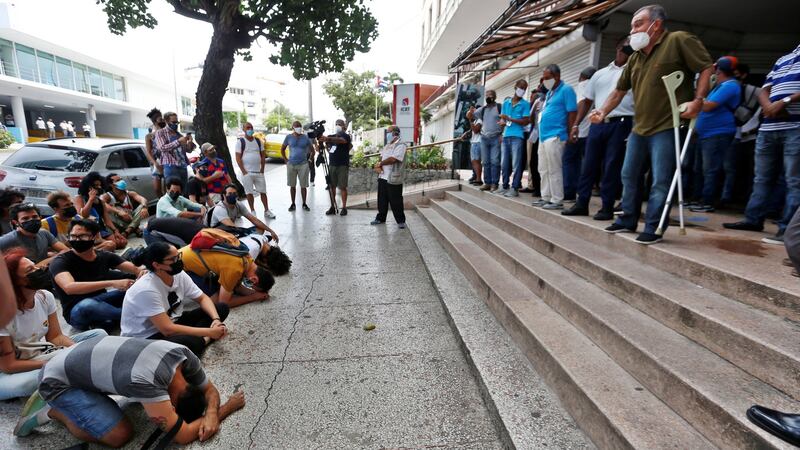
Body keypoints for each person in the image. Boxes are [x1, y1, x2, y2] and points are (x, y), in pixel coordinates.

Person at [592, 4, 713, 245]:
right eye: (632, 26)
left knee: (660, 179)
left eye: (638, 24)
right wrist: (602, 110)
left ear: (655, 25)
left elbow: (706, 67)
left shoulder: (678, 40)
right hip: (640, 127)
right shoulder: (635, 58)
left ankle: (654, 226)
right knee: (628, 175)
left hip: (668, 125)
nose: (633, 30)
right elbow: (619, 91)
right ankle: (628, 218)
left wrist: (697, 101)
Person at [15, 335, 246, 446]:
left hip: (76, 361)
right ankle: (54, 411)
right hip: (56, 381)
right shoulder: (146, 381)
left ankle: (71, 400)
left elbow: (210, 390)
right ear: (171, 403)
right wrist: (225, 409)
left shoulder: (182, 355)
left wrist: (212, 413)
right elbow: (183, 435)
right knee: (119, 436)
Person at [0, 248, 106, 401]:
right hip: (7, 371)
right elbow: (8, 365)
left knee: (99, 334)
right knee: (33, 381)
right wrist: (51, 362)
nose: (40, 269)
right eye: (31, 270)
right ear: (14, 282)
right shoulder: (5, 313)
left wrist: (75, 352)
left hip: (35, 353)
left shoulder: (44, 297)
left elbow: (56, 336)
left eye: (36, 266)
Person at [723, 44, 800, 245]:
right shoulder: (783, 58)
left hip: (795, 126)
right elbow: (765, 88)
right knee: (762, 178)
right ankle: (753, 219)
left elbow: (782, 97)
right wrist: (768, 106)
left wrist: (783, 101)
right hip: (769, 127)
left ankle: (787, 231)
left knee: (794, 180)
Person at [563, 37, 635, 220]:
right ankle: (581, 203)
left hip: (622, 122)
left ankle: (607, 207)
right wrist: (576, 124)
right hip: (597, 123)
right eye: (625, 47)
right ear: (618, 48)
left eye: (631, 49)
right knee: (589, 165)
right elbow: (587, 101)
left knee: (611, 166)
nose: (626, 51)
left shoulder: (635, 72)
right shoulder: (600, 74)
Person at [121, 242, 229, 357]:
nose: (178, 261)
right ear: (157, 265)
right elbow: (167, 330)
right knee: (189, 343)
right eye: (173, 259)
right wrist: (209, 332)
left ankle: (201, 339)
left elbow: (202, 298)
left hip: (172, 321)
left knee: (221, 308)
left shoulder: (178, 275)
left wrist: (216, 319)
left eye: (178, 256)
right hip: (146, 338)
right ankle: (202, 340)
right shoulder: (146, 289)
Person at [49, 218, 143, 330]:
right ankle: (139, 316)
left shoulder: (104, 256)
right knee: (87, 305)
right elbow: (69, 287)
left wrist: (143, 272)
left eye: (82, 236)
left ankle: (109, 320)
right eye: (73, 236)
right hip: (77, 311)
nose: (77, 240)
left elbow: (135, 269)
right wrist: (113, 283)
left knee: (135, 289)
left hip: (102, 300)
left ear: (95, 236)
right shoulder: (60, 261)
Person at [687, 56, 741, 213]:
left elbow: (709, 106)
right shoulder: (720, 86)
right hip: (706, 133)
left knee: (710, 169)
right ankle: (697, 198)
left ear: (719, 70)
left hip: (717, 133)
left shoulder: (730, 86)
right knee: (699, 168)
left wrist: (696, 99)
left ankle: (707, 201)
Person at [531, 66, 577, 210]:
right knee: (542, 168)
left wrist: (571, 132)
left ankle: (557, 199)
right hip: (544, 136)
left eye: (546, 78)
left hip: (556, 135)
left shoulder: (567, 90)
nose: (544, 81)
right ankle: (546, 197)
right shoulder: (550, 92)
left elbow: (572, 112)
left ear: (556, 76)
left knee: (554, 168)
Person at [179, 244, 275, 308]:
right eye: (252, 286)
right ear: (254, 279)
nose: (250, 286)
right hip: (182, 267)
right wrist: (253, 297)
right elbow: (223, 303)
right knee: (215, 302)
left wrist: (256, 294)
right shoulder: (234, 269)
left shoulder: (247, 258)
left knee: (229, 286)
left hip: (187, 252)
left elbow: (237, 286)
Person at [41, 191, 116, 252]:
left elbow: (96, 240)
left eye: (71, 204)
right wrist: (65, 245)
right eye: (66, 205)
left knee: (110, 244)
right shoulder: (46, 224)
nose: (71, 207)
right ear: (55, 208)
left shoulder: (78, 219)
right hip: (64, 253)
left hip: (82, 250)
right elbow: (45, 249)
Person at [563, 66, 596, 202]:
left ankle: (570, 192)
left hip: (578, 132)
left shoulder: (584, 85)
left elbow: (582, 103)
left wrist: (574, 125)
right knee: (583, 163)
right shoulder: (595, 87)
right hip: (589, 131)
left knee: (569, 161)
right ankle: (578, 192)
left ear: (582, 77)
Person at [0, 204, 69, 266]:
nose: (31, 220)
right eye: (25, 218)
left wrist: (45, 261)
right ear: (16, 222)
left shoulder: (44, 233)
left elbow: (66, 251)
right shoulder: (7, 240)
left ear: (40, 217)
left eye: (35, 217)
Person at [496, 79, 532, 197]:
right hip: (506, 135)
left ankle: (515, 187)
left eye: (524, 88)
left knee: (517, 164)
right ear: (515, 87)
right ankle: (504, 185)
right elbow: (503, 119)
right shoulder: (506, 103)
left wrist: (509, 119)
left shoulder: (525, 104)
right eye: (520, 87)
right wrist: (502, 127)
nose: (522, 90)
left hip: (518, 136)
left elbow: (526, 121)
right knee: (504, 163)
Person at [74, 172, 127, 249]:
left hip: (101, 230)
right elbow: (83, 215)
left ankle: (99, 247)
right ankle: (92, 250)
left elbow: (107, 219)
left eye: (100, 185)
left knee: (122, 242)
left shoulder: (100, 201)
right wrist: (90, 199)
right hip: (88, 231)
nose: (99, 187)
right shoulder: (79, 198)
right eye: (96, 186)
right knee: (112, 245)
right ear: (89, 187)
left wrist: (115, 231)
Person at [210, 184, 280, 241]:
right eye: (230, 193)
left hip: (232, 232)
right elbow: (232, 227)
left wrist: (271, 231)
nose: (232, 195)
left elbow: (254, 220)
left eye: (234, 193)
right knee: (235, 236)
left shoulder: (238, 204)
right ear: (224, 195)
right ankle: (251, 240)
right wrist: (245, 234)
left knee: (260, 229)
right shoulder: (220, 208)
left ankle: (251, 240)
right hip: (219, 235)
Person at [370, 125, 407, 228]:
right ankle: (380, 218)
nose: (387, 134)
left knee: (396, 200)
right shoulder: (387, 145)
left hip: (393, 177)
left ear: (395, 133)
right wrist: (379, 166)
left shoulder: (401, 145)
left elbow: (393, 159)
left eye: (389, 132)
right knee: (382, 200)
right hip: (383, 176)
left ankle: (401, 221)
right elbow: (382, 156)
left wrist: (381, 163)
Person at [236, 122, 275, 219]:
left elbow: (262, 155)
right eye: (248, 128)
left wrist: (262, 169)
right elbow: (238, 158)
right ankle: (252, 211)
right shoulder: (241, 142)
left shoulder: (258, 141)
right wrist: (244, 171)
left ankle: (267, 210)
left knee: (263, 192)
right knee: (249, 193)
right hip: (247, 173)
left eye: (251, 127)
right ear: (244, 130)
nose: (250, 129)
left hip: (258, 172)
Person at [319, 119, 353, 215]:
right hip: (332, 164)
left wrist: (328, 139)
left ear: (343, 126)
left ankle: (344, 207)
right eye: (336, 124)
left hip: (342, 165)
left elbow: (342, 141)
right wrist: (325, 143)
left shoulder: (345, 135)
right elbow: (328, 148)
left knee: (342, 186)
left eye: (339, 124)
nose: (337, 125)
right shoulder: (332, 136)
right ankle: (332, 206)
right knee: (331, 186)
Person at [155, 112, 194, 192]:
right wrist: (178, 142)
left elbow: (188, 150)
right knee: (173, 192)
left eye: (177, 122)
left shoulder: (179, 134)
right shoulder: (160, 132)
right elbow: (162, 148)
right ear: (166, 121)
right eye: (173, 122)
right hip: (171, 166)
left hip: (182, 166)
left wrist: (190, 141)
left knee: (183, 191)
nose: (176, 124)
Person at [472, 90, 503, 192]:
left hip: (495, 137)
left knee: (495, 161)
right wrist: (470, 112)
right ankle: (487, 183)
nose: (487, 97)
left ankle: (494, 183)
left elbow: (505, 121)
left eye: (490, 95)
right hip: (484, 138)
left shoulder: (499, 107)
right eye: (486, 95)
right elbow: (471, 115)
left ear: (494, 97)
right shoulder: (483, 109)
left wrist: (502, 134)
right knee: (485, 162)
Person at [282, 120, 314, 211]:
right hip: (291, 164)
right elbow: (282, 149)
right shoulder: (288, 137)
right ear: (293, 127)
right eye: (296, 126)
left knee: (303, 186)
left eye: (300, 126)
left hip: (303, 164)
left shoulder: (305, 138)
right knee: (292, 185)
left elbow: (313, 151)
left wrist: (310, 160)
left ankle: (304, 203)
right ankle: (293, 204)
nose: (299, 128)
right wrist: (286, 160)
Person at [144, 108, 165, 198]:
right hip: (156, 164)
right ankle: (163, 205)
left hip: (167, 163)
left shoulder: (166, 132)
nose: (162, 120)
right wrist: (155, 163)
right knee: (157, 189)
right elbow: (148, 152)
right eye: (160, 118)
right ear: (155, 120)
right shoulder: (149, 136)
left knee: (168, 188)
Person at [467, 107, 483, 186]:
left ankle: (479, 179)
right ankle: (477, 178)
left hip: (477, 142)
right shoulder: (476, 120)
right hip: (474, 142)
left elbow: (476, 130)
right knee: (474, 162)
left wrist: (470, 120)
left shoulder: (479, 120)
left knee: (476, 161)